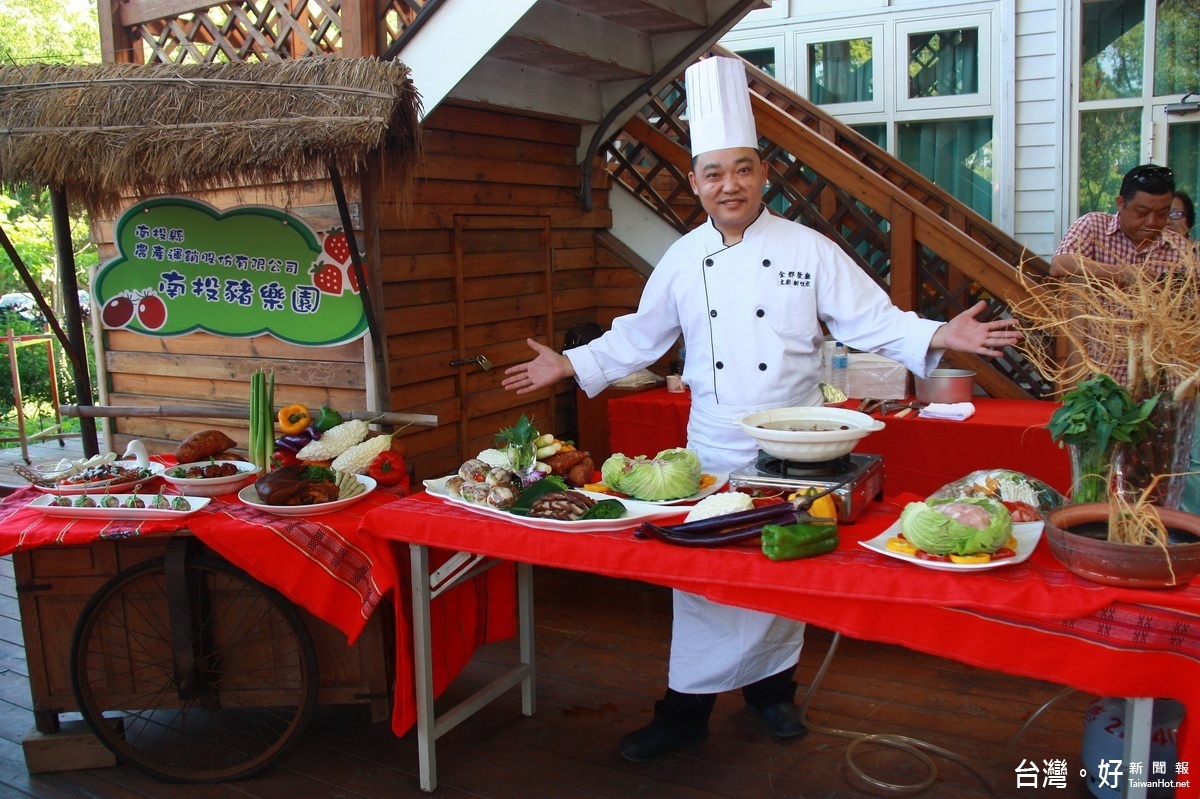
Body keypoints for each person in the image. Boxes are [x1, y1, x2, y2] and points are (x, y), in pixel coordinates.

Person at [502, 56, 1021, 763]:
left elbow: (871, 318)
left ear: (762, 173)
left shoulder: (809, 248)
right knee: (708, 581)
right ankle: (684, 712)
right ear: (695, 182)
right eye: (715, 172)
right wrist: (570, 361)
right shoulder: (683, 260)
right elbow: (641, 336)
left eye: (742, 169)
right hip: (715, 449)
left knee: (784, 571)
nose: (730, 185)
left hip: (801, 443)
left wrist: (938, 333)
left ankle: (774, 692)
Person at [1050, 165, 1191, 386]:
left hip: (1160, 378)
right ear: (1120, 203)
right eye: (1142, 213)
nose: (1152, 222)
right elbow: (1060, 264)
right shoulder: (1094, 227)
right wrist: (1123, 273)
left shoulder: (1180, 249)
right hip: (1100, 374)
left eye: (1163, 214)